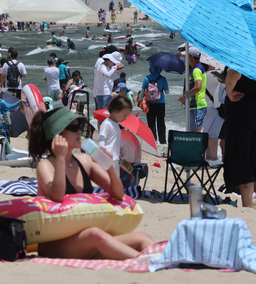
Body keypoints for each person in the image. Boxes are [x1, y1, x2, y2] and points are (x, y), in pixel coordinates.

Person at [28, 107, 156, 259]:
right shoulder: (46, 165)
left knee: (143, 237)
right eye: (74, 127)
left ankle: (166, 263)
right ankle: (145, 262)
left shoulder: (85, 161)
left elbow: (118, 194)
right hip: (55, 243)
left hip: (84, 238)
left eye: (80, 127)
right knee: (94, 234)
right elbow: (57, 197)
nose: (79, 132)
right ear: (58, 134)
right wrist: (61, 158)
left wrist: (108, 166)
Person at [223, 68, 256, 210]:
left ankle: (248, 205)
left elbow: (233, 74)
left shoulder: (240, 61)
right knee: (255, 157)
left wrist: (229, 93)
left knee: (242, 157)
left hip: (241, 111)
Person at [178, 47, 207, 133]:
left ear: (192, 57)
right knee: (194, 132)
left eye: (186, 55)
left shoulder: (197, 70)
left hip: (197, 105)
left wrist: (185, 97)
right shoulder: (196, 68)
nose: (184, 57)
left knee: (195, 133)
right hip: (196, 105)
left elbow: (198, 87)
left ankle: (197, 147)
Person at [142, 66, 169, 144]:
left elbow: (143, 90)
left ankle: (153, 140)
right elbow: (167, 92)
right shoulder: (163, 79)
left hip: (150, 103)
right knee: (161, 122)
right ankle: (163, 141)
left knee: (151, 122)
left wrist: (140, 101)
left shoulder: (146, 78)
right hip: (161, 103)